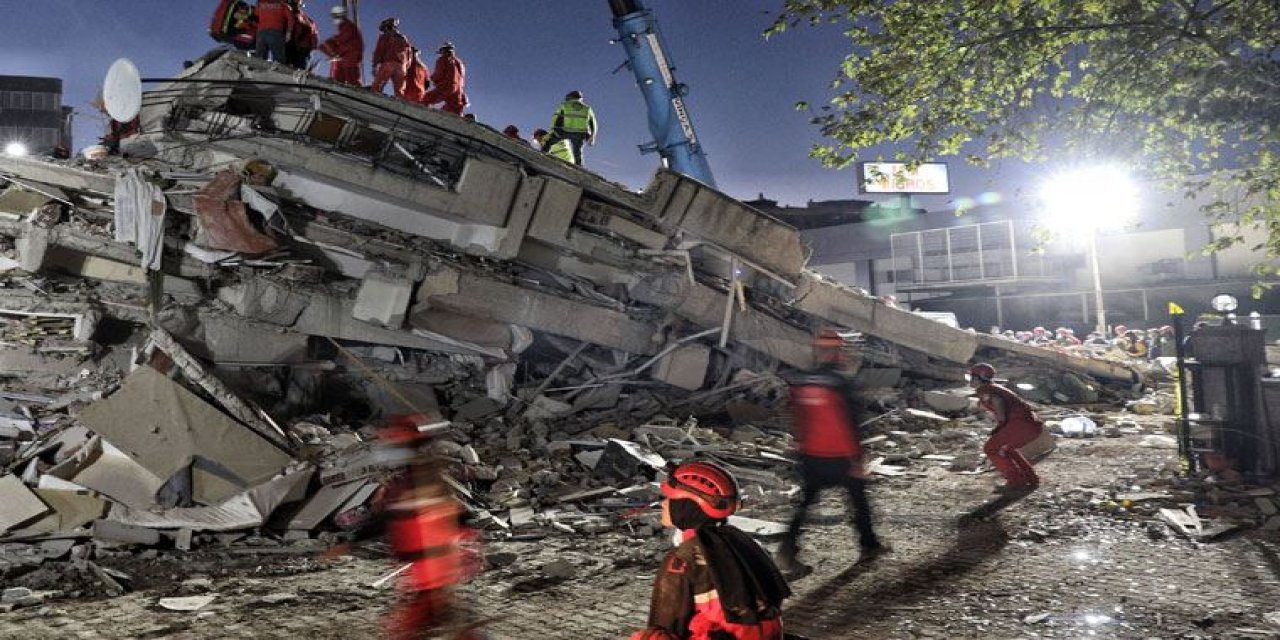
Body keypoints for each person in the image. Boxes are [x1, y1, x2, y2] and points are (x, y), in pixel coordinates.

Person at [630, 461, 790, 640]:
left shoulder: (683, 559)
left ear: (688, 506)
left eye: (671, 499)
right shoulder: (741, 542)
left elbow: (665, 628)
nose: (664, 504)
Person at [778, 329, 888, 576]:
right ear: (839, 353)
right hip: (840, 456)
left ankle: (788, 549)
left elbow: (793, 415)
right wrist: (857, 459)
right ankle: (868, 544)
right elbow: (850, 424)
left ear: (818, 352)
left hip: (810, 455)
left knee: (805, 504)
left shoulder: (803, 382)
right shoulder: (842, 384)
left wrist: (798, 442)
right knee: (859, 500)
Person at [970, 362, 1043, 493]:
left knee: (991, 449)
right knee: (1008, 449)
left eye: (972, 377)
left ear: (978, 378)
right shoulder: (993, 388)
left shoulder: (985, 390)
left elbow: (998, 402)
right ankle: (1030, 479)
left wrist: (1000, 425)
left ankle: (1016, 482)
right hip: (1031, 425)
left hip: (1020, 425)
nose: (970, 380)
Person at [541, 90, 596, 166]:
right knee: (577, 152)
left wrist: (553, 130)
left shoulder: (564, 105)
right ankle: (579, 167)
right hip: (580, 134)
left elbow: (556, 117)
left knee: (549, 142)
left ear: (570, 97)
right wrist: (592, 137)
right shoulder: (587, 108)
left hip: (565, 131)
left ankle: (542, 156)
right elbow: (593, 123)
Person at [319, 5, 364, 86]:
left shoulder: (347, 25)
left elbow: (344, 38)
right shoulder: (344, 25)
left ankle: (357, 92)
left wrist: (334, 41)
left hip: (351, 53)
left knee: (351, 75)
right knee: (339, 73)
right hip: (345, 53)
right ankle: (337, 86)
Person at [371, 18, 414, 98]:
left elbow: (379, 52)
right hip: (402, 67)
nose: (384, 31)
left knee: (377, 86)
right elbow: (410, 55)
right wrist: (406, 66)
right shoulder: (403, 38)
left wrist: (374, 65)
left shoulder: (384, 37)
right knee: (400, 91)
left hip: (388, 64)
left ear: (387, 27)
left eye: (384, 29)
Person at [421, 42, 468, 115]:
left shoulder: (443, 59)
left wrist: (431, 79)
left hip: (447, 85)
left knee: (426, 99)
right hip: (459, 89)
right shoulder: (460, 63)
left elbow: (438, 74)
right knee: (455, 109)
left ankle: (421, 116)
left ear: (443, 50)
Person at [286, 0, 319, 70]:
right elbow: (315, 36)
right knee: (300, 69)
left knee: (287, 67)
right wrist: (312, 49)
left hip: (294, 47)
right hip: (303, 49)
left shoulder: (290, 17)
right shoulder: (309, 20)